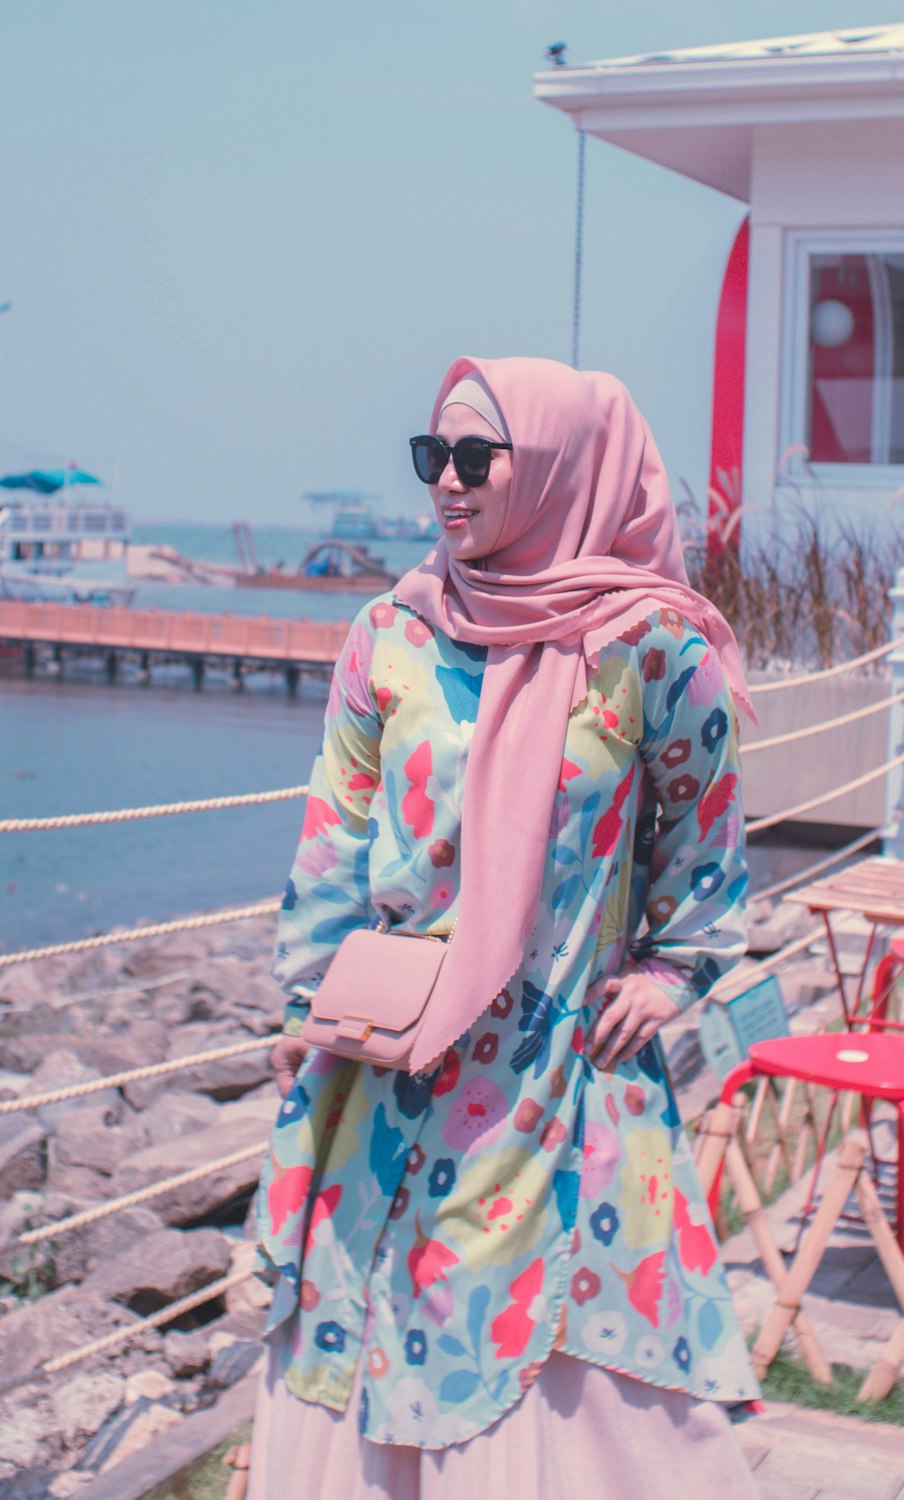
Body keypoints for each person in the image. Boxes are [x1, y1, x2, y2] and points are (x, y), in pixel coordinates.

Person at [250, 356, 762, 1498]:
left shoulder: (649, 648)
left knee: (564, 1356)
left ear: (560, 468)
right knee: (371, 1311)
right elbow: (333, 832)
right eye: (434, 457)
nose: (449, 484)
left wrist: (675, 973)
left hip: (562, 1074)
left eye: (477, 458)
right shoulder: (390, 630)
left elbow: (708, 842)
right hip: (388, 1067)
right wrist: (303, 1003)